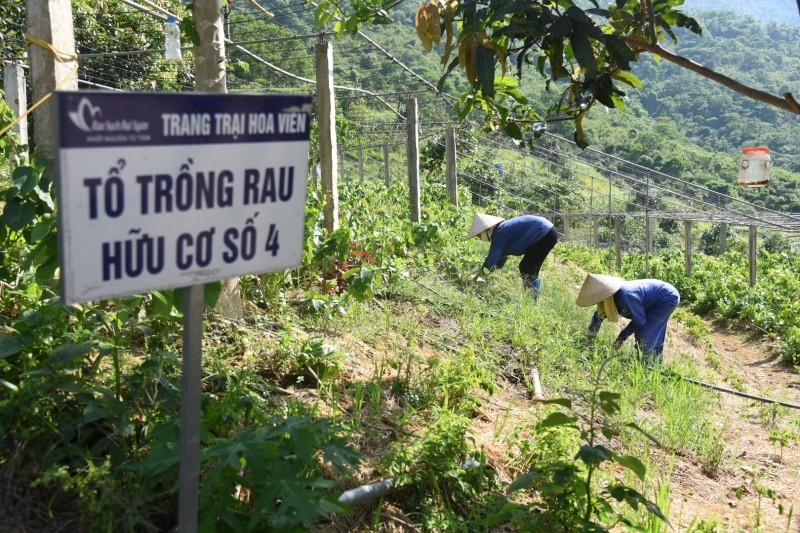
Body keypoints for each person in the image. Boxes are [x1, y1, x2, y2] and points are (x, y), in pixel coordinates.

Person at [576, 273, 680, 365]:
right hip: (655, 296)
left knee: (645, 332)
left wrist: (621, 338)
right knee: (650, 332)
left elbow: (640, 321)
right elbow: (599, 316)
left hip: (666, 298)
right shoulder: (608, 299)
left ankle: (649, 365)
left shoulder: (626, 297)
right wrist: (589, 338)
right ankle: (652, 362)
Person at [467, 213, 559, 301]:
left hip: (544, 233)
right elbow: (499, 261)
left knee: (528, 267)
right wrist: (485, 273)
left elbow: (491, 260)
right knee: (527, 267)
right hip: (546, 232)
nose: (479, 238)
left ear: (486, 231)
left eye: (479, 235)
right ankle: (531, 301)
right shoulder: (501, 230)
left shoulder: (499, 233)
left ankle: (532, 302)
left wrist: (479, 276)